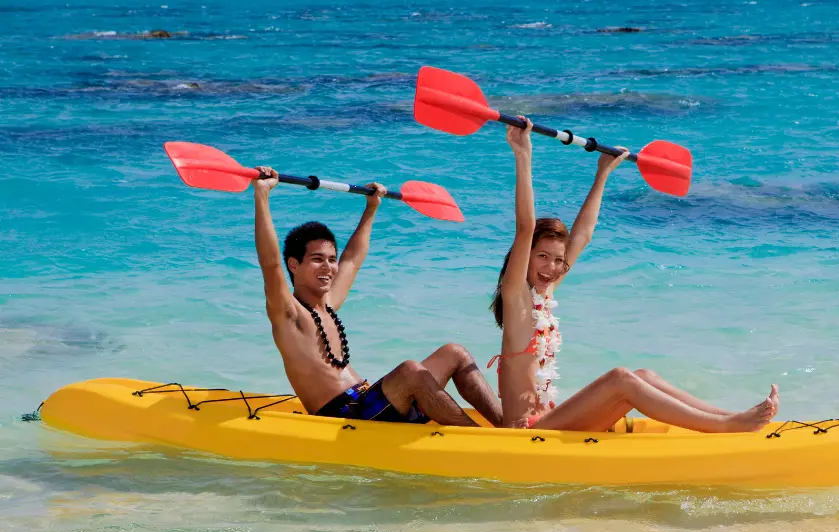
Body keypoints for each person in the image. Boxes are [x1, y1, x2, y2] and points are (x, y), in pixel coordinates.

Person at [489, 119, 778, 432]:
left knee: (644, 376)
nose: (551, 267)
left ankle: (726, 417)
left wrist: (602, 174)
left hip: (552, 419)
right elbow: (525, 227)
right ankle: (724, 426)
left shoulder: (545, 294)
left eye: (557, 260)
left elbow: (582, 235)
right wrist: (523, 155)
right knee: (620, 378)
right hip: (527, 431)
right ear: (524, 257)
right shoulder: (516, 295)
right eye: (542, 257)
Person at [252, 166, 501, 427]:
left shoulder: (328, 305)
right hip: (344, 416)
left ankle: (511, 426)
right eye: (317, 260)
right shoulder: (289, 313)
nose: (328, 267)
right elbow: (270, 263)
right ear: (293, 265)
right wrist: (262, 196)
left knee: (455, 353)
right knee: (410, 371)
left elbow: (352, 260)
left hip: (372, 404)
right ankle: (479, 438)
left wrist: (371, 208)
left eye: (331, 260)